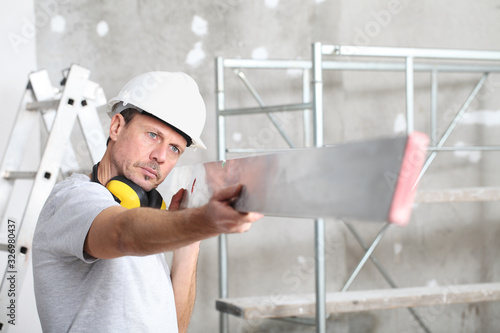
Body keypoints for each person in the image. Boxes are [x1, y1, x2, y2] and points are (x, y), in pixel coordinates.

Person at [32, 71, 263, 332]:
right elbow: (122, 233)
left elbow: (174, 327)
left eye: (175, 148)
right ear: (117, 127)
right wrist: (204, 221)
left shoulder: (147, 220)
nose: (161, 156)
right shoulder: (73, 199)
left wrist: (189, 243)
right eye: (153, 135)